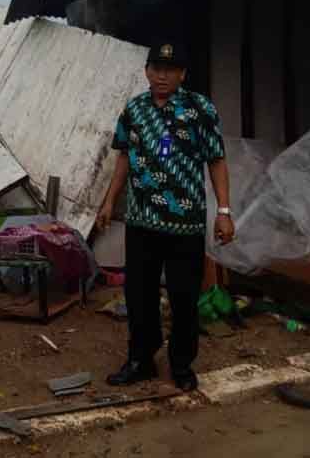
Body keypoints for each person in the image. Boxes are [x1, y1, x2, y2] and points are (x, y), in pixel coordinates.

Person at [96, 41, 234, 392]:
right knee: (139, 294)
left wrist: (224, 211)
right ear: (146, 71)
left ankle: (182, 364)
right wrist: (109, 201)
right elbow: (124, 159)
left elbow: (216, 159)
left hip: (184, 223)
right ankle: (141, 359)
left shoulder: (200, 108)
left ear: (182, 74)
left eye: (170, 70)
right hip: (141, 222)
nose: (162, 75)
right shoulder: (134, 109)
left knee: (184, 296)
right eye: (156, 68)